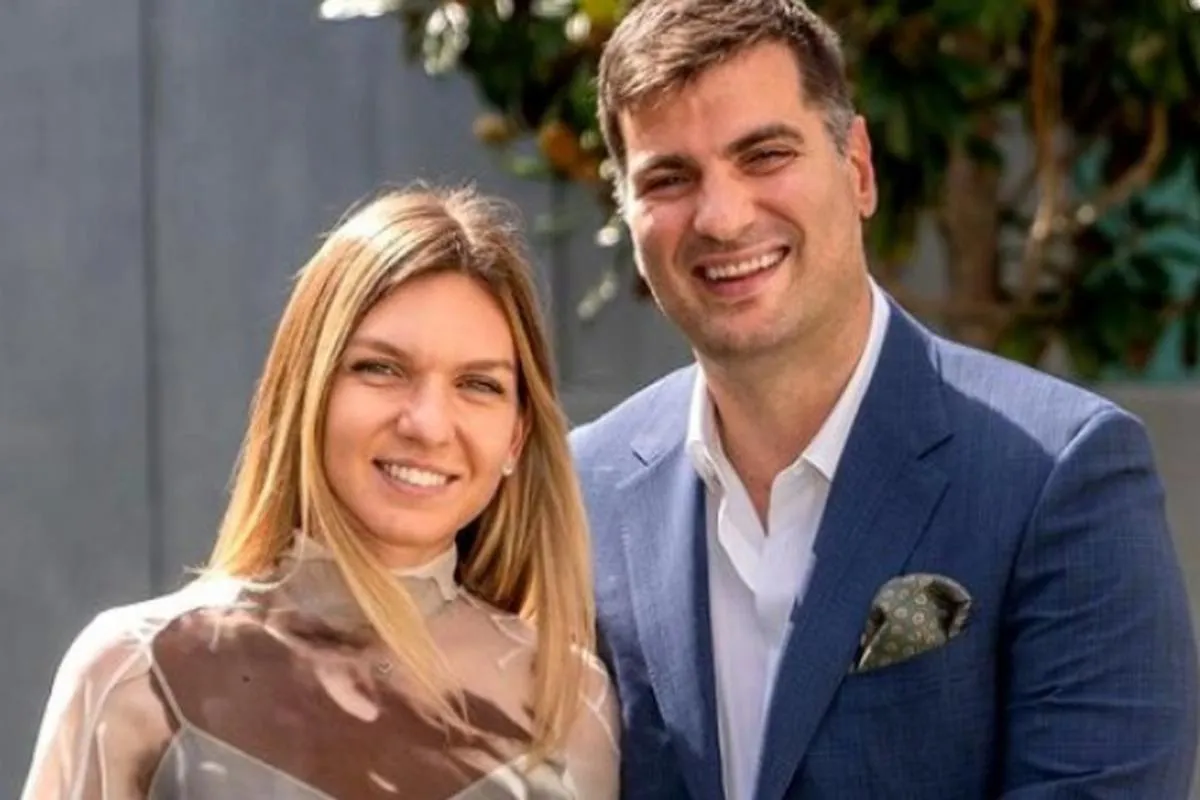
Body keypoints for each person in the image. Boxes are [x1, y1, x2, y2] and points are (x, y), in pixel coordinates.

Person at [569, 1, 1199, 798]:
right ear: (627, 212)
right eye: (669, 178)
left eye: (765, 154)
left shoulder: (1059, 474)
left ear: (858, 169)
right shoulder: (583, 490)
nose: (722, 218)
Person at [20, 185, 618, 799]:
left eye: (478, 385)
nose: (429, 425)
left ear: (517, 436)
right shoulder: (138, 675)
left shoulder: (571, 703)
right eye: (381, 368)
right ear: (305, 391)